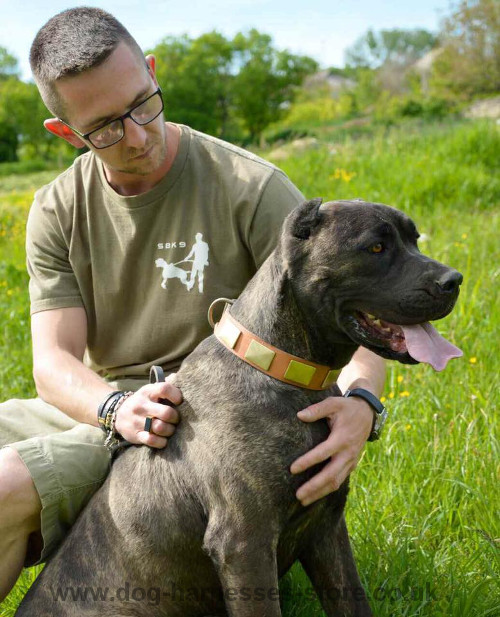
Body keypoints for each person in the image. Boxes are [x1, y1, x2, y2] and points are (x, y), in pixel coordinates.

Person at [0, 6, 385, 601]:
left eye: (143, 103)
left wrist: (362, 402)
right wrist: (114, 406)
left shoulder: (251, 188)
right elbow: (53, 363)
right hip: (114, 406)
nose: (137, 135)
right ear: (64, 131)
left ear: (152, 73)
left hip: (197, 431)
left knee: (4, 487)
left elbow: (348, 304)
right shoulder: (56, 209)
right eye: (104, 127)